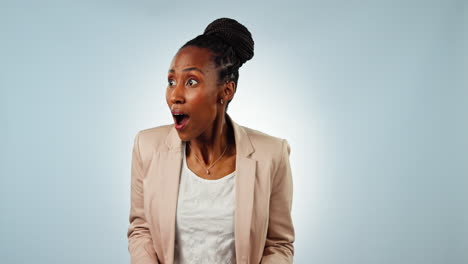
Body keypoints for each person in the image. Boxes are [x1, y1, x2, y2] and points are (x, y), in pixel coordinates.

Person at [127, 17, 294, 264]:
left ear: (226, 91)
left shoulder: (272, 154)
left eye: (191, 82)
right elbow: (141, 230)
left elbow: (278, 244)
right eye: (171, 82)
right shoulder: (147, 146)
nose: (175, 95)